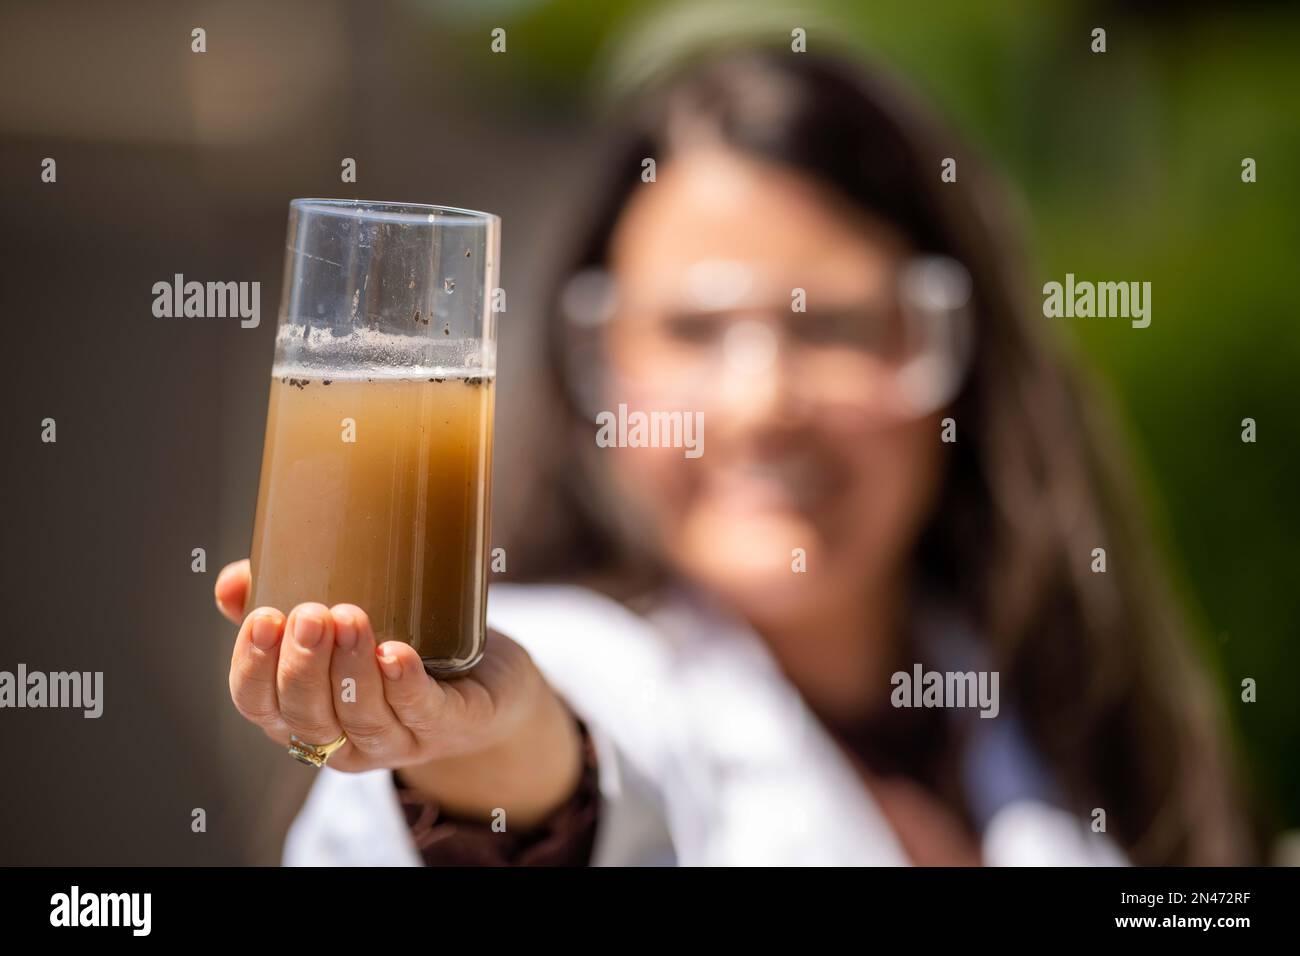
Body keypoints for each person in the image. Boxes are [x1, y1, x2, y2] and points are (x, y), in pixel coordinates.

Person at [216, 48, 1250, 865]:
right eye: (692, 331)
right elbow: (549, 761)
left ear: (954, 356)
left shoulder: (1045, 706)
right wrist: (467, 736)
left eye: (835, 325)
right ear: (595, 368)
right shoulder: (582, 663)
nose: (760, 406)